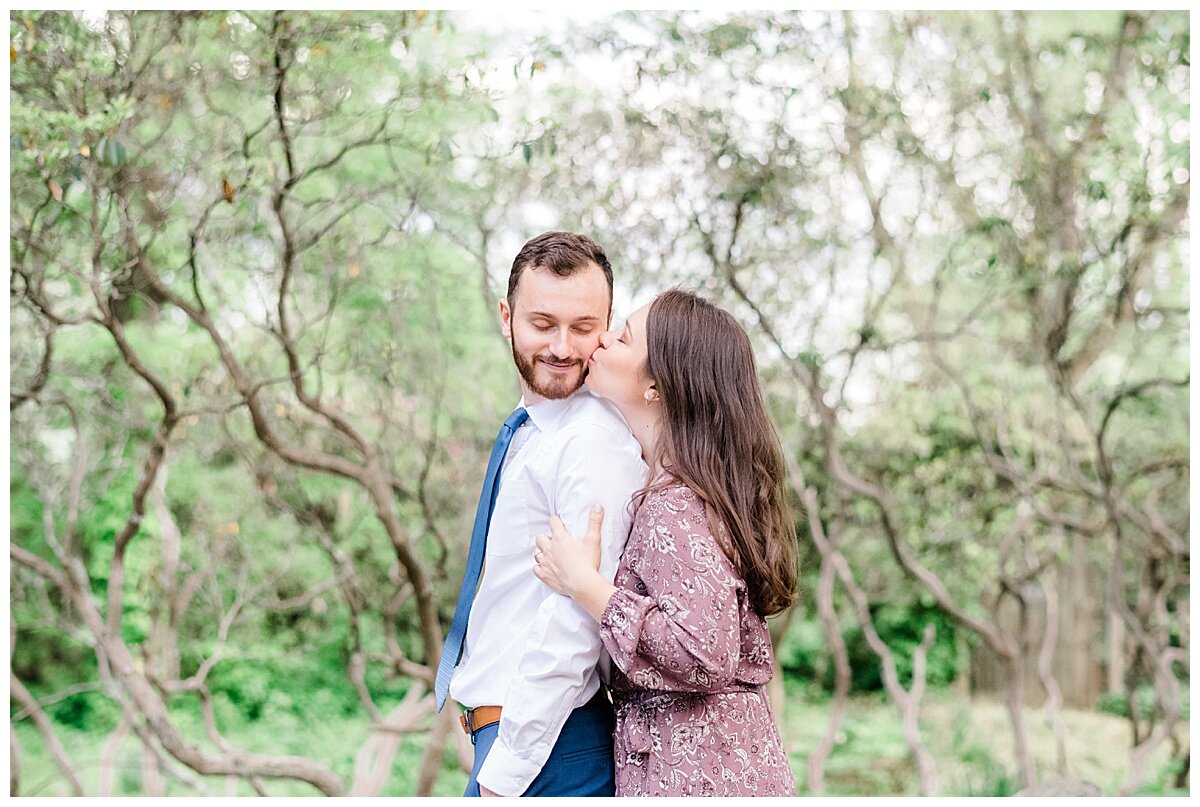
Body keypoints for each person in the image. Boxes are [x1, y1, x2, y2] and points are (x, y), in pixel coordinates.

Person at [532, 289, 799, 796]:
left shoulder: (674, 504)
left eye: (623, 337)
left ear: (656, 385)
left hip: (698, 773)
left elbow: (704, 652)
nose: (603, 340)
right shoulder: (688, 494)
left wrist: (586, 587)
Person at [433, 232, 647, 797]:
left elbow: (575, 626)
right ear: (507, 317)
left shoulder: (591, 440)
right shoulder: (532, 431)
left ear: (607, 325)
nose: (561, 346)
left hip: (548, 749)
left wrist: (505, 774)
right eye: (542, 323)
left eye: (583, 327)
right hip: (520, 740)